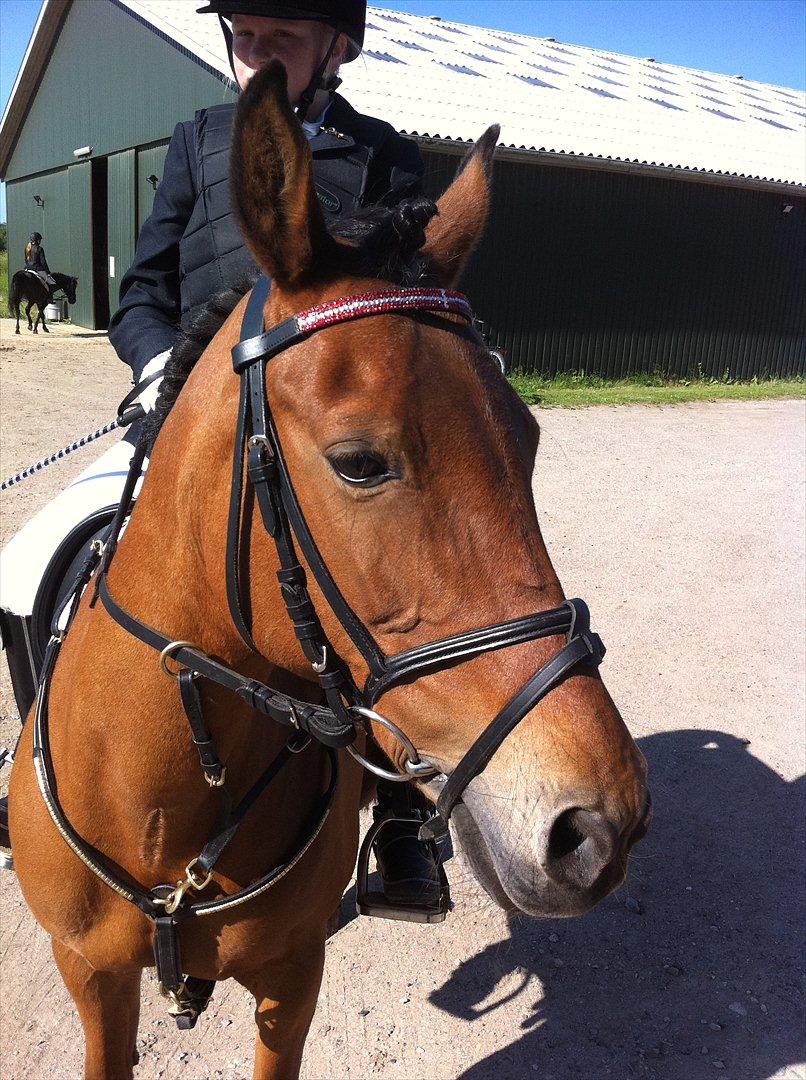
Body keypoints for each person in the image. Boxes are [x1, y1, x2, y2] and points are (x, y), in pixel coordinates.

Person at [0, 0, 447, 921]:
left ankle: (401, 813)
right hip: (188, 423)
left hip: (313, 429)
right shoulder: (198, 141)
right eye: (244, 34)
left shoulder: (386, 157)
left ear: (338, 47)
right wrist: (158, 370)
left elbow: (408, 309)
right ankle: (36, 753)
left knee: (400, 585)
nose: (256, 53)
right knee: (27, 560)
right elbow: (143, 292)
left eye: (281, 37)